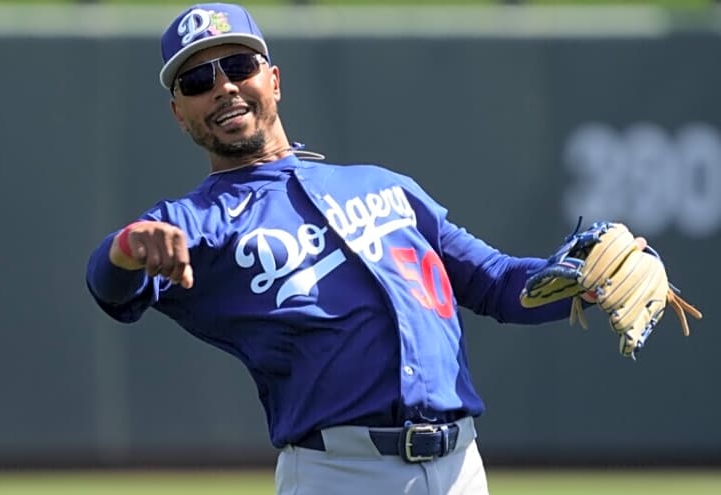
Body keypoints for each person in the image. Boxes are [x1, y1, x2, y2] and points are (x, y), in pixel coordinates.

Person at [86, 3, 574, 494]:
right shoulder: (193, 221)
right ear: (178, 113)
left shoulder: (384, 186)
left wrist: (583, 281)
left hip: (462, 468)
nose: (224, 87)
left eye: (238, 67)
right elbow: (110, 287)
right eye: (197, 81)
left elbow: (497, 283)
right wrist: (126, 247)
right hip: (340, 474)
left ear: (273, 80)